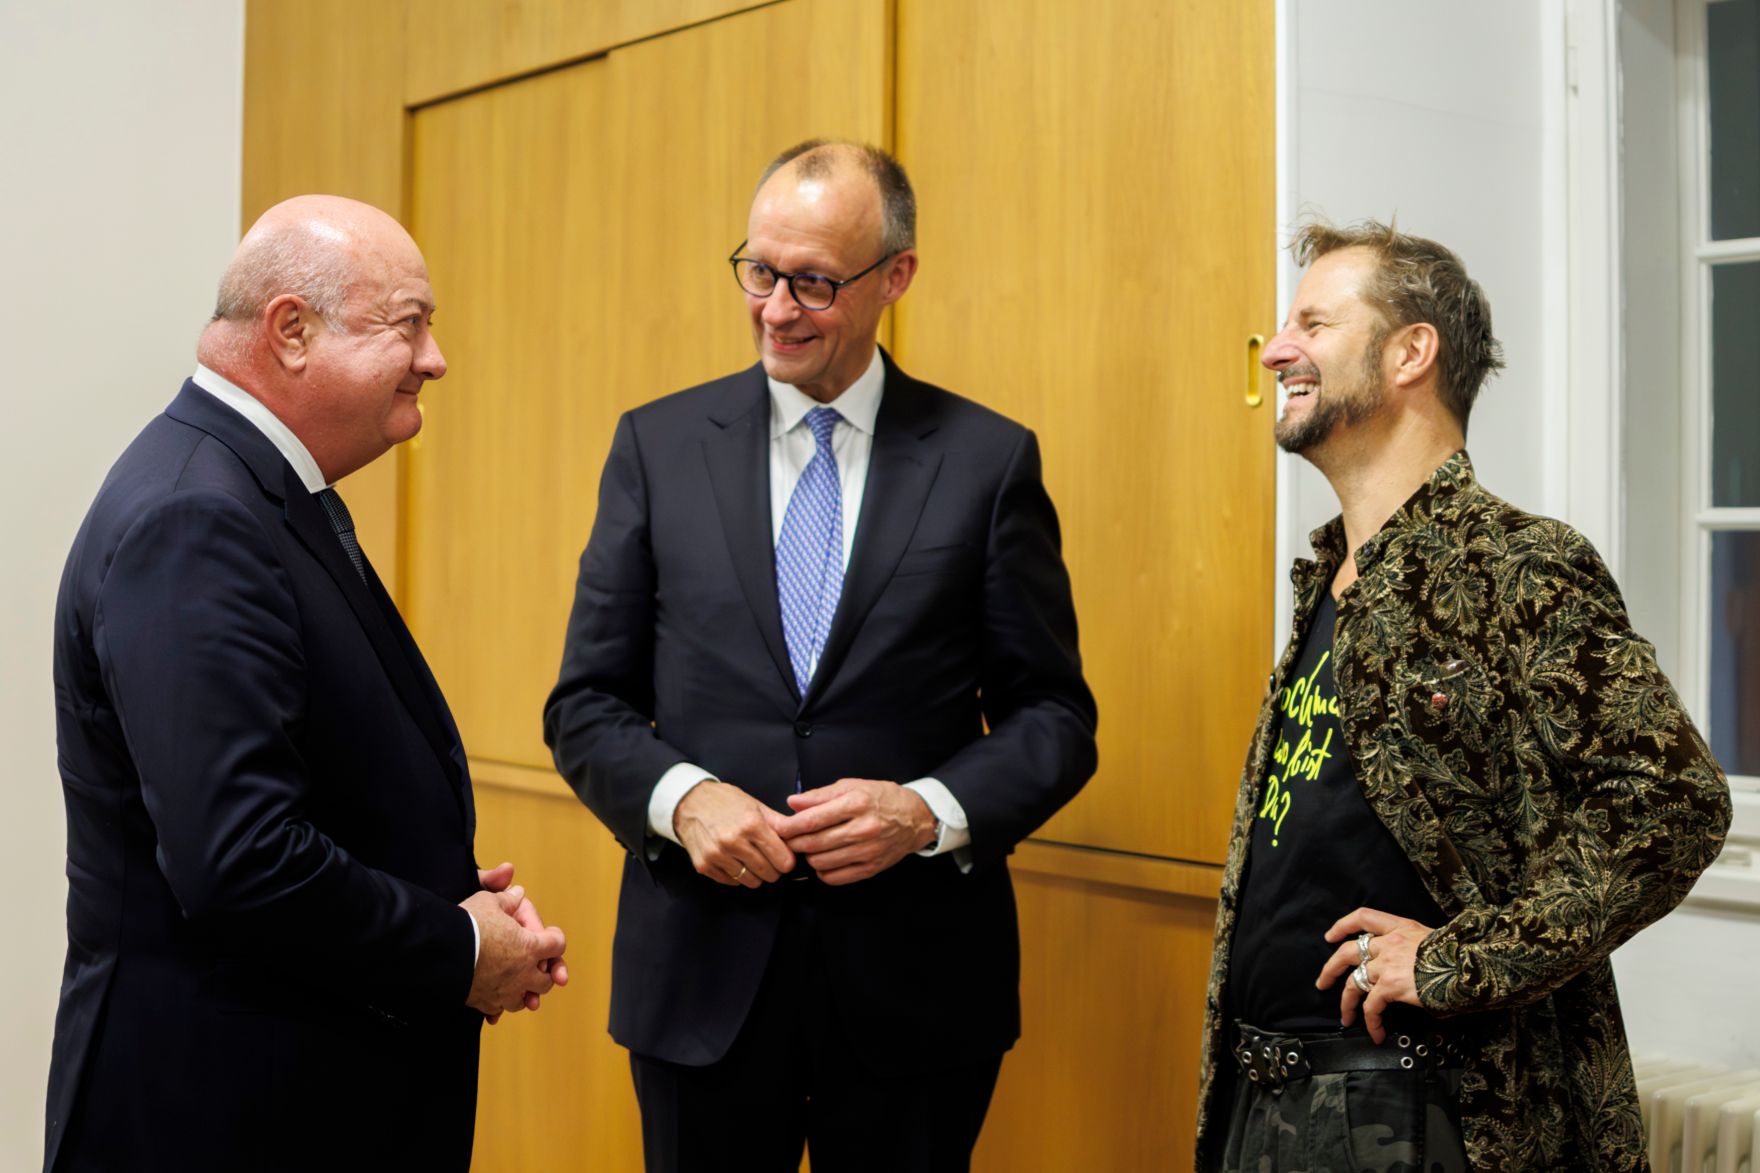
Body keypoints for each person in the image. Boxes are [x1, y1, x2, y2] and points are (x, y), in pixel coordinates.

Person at [544, 139, 1098, 1172]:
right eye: (758, 271)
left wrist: (928, 810)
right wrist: (681, 800)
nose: (775, 309)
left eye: (812, 282)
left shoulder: (986, 462)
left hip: (915, 993)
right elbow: (584, 704)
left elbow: (1053, 720)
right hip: (700, 986)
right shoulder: (655, 449)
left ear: (895, 277)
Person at [45, 195, 569, 1173]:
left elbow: (306, 782)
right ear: (291, 330)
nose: (434, 357)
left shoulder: (256, 490)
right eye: (407, 323)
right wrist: (456, 950)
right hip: (224, 1113)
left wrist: (443, 892)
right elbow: (240, 862)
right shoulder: (194, 519)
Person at [1195, 220, 1732, 1172]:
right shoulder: (1330, 577)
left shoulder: (1520, 563)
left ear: (1411, 351)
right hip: (1263, 1097)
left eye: (1313, 323)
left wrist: (1457, 959)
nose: (1278, 348)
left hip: (1418, 1104)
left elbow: (1673, 804)